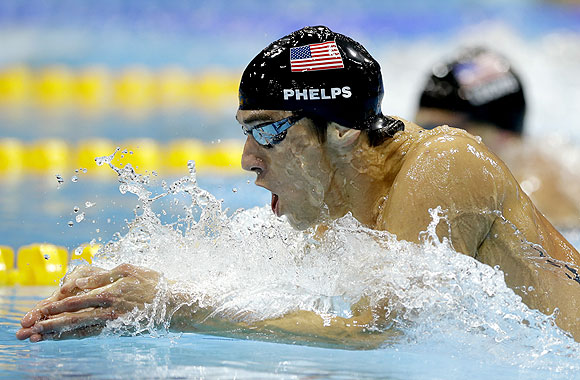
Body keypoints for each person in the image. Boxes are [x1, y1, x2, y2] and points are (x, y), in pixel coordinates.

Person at [17, 26, 580, 344]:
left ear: (339, 131)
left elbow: (373, 333)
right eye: (246, 132)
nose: (246, 160)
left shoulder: (446, 162)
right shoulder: (340, 203)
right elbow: (266, 289)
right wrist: (128, 293)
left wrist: (176, 306)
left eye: (267, 131)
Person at [415, 47, 580, 227]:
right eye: (422, 129)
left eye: (447, 130)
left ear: (503, 135)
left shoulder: (535, 196)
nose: (429, 143)